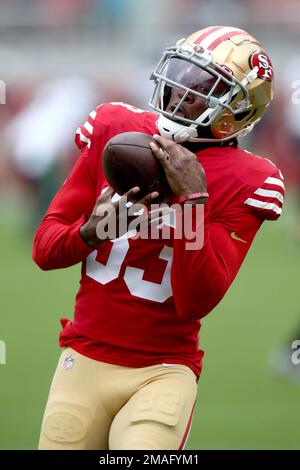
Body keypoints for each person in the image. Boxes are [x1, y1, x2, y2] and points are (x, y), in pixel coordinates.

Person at [33, 25, 285, 450]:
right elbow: (45, 249)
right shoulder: (116, 129)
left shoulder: (248, 179)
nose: (180, 91)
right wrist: (90, 233)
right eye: (182, 74)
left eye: (202, 86)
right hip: (84, 357)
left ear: (236, 110)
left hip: (163, 370)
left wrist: (192, 200)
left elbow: (196, 300)